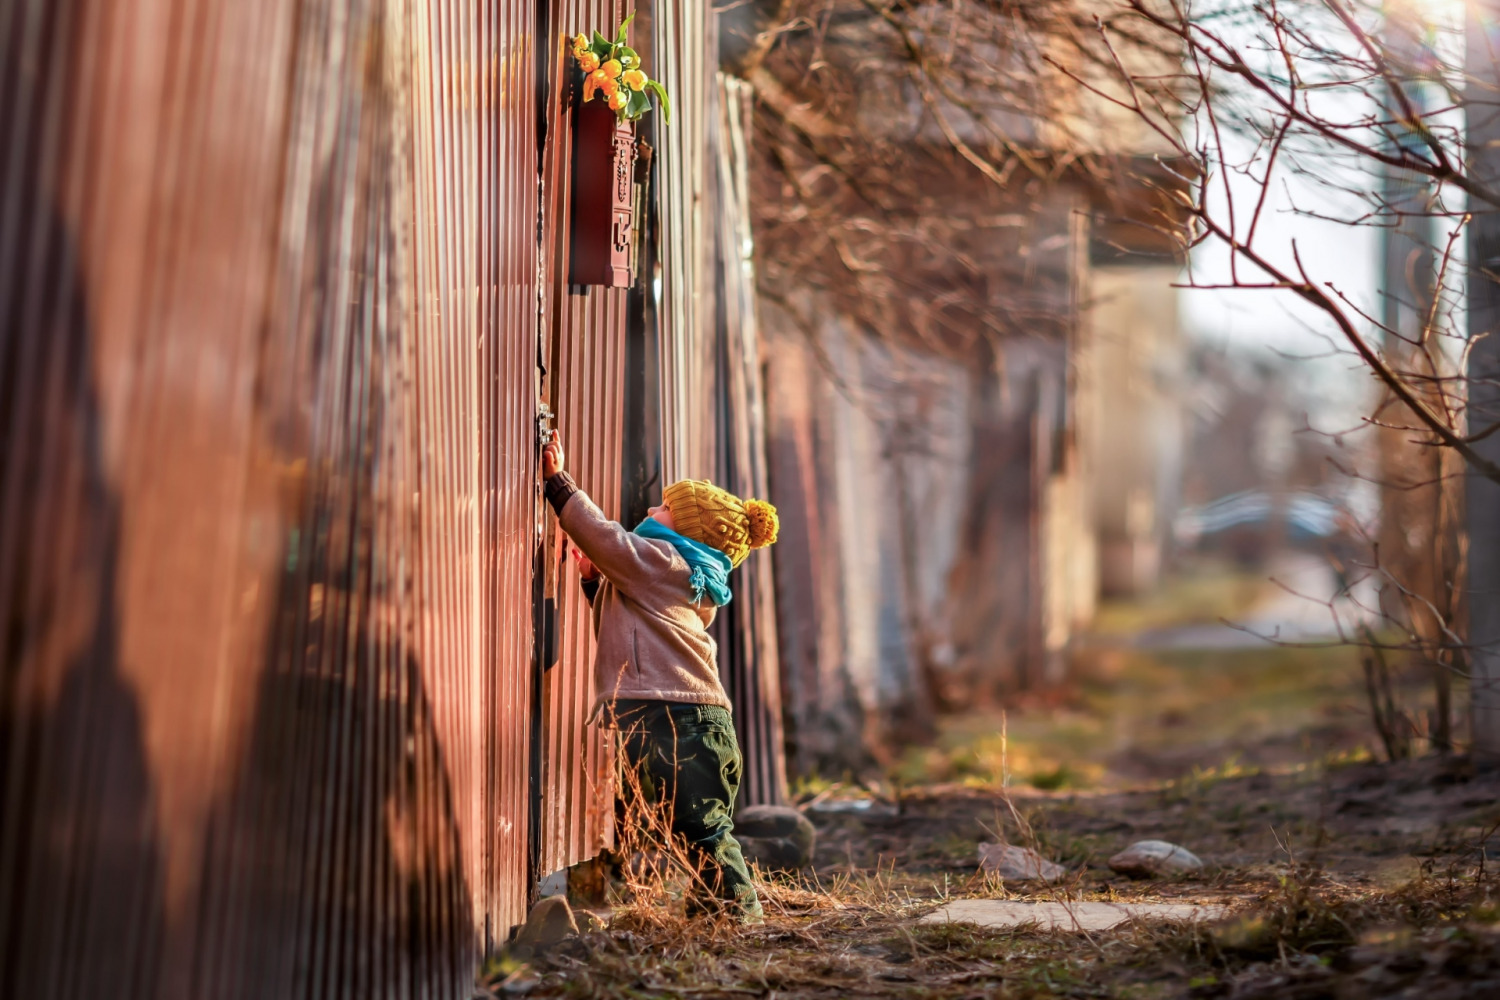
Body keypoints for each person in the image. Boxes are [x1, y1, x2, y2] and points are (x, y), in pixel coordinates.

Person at [540, 430, 778, 921]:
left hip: (682, 722)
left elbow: (607, 539)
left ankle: (740, 917)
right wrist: (592, 581)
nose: (650, 513)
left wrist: (557, 483)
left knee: (702, 828)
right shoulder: (670, 576)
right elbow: (629, 628)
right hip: (687, 721)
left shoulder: (666, 561)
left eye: (664, 510)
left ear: (689, 534)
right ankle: (712, 910)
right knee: (689, 828)